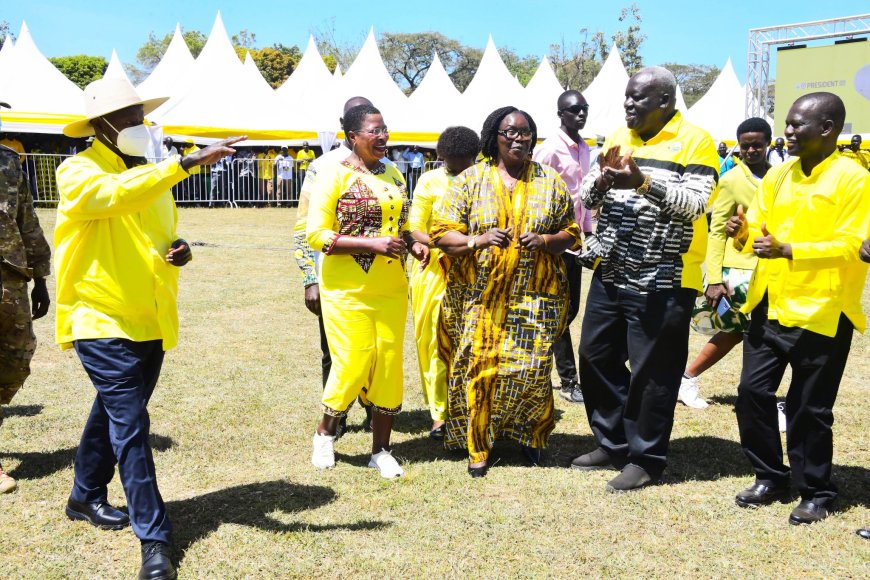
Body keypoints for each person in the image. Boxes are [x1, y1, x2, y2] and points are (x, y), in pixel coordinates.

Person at [56, 78, 245, 579]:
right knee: (131, 426)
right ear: (102, 125)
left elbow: (158, 231)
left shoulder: (148, 174)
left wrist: (179, 249)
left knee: (115, 411)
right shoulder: (77, 171)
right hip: (99, 317)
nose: (140, 124)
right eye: (130, 117)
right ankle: (155, 541)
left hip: (149, 317)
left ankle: (84, 495)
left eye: (141, 115)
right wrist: (184, 163)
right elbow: (115, 197)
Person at [725, 92, 870, 525]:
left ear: (827, 129)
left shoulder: (854, 178)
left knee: (809, 408)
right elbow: (760, 225)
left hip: (822, 310)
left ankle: (816, 491)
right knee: (752, 394)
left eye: (796, 124)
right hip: (770, 302)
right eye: (787, 123)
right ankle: (770, 476)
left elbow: (854, 243)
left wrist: (790, 250)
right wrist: (743, 233)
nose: (787, 132)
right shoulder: (780, 173)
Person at [572, 67, 718, 492]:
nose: (628, 104)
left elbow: (696, 204)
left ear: (665, 102)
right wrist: (603, 178)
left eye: (638, 97)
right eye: (627, 96)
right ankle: (613, 442)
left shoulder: (696, 140)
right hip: (612, 269)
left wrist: (642, 182)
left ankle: (646, 458)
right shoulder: (619, 135)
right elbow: (587, 197)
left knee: (653, 372)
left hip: (664, 277)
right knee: (596, 356)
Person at [431, 106, 582, 477]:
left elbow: (571, 232)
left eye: (525, 132)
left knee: (532, 369)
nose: (518, 138)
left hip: (536, 295)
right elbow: (441, 234)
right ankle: (478, 446)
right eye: (509, 132)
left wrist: (545, 240)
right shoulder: (470, 180)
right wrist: (478, 240)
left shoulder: (549, 181)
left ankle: (531, 437)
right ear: (493, 137)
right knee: (481, 369)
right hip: (480, 298)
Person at [306, 104, 428, 478]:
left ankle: (381, 450)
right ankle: (325, 432)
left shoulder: (393, 173)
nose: (382, 136)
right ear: (352, 137)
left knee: (388, 364)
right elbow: (316, 234)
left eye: (384, 129)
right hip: (347, 289)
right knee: (353, 361)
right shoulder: (333, 175)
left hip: (390, 287)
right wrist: (371, 244)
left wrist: (415, 243)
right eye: (374, 131)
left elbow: (402, 226)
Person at [293, 96, 375, 436]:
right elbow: (303, 227)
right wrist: (309, 279)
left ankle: (375, 410)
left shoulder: (386, 166)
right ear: (346, 127)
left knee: (374, 350)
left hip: (378, 279)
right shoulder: (323, 166)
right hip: (334, 277)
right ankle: (335, 417)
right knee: (335, 351)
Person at [680, 118, 773, 410]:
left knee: (764, 333)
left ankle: (756, 392)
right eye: (745, 146)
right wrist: (715, 279)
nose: (751, 151)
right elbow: (717, 230)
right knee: (734, 331)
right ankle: (687, 377)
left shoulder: (780, 176)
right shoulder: (731, 180)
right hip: (738, 270)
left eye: (757, 145)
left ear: (768, 144)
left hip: (773, 268)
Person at [408, 126, 480, 439]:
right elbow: (414, 228)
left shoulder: (484, 180)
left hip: (475, 270)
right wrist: (442, 244)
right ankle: (439, 415)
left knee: (471, 342)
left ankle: (469, 408)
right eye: (453, 164)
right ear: (441, 157)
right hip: (434, 272)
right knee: (434, 344)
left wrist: (470, 245)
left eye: (466, 163)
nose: (460, 170)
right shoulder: (429, 181)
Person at [0, 100, 52, 495]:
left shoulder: (9, 162)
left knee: (15, 359)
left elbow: (27, 219)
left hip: (10, 278)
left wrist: (41, 277)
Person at [532, 89, 593, 404]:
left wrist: (589, 232)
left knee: (569, 311)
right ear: (561, 114)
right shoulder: (549, 149)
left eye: (584, 108)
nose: (581, 114)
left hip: (577, 241)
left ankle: (537, 356)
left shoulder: (584, 147)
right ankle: (569, 380)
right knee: (559, 311)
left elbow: (584, 196)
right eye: (574, 109)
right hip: (554, 240)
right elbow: (533, 187)